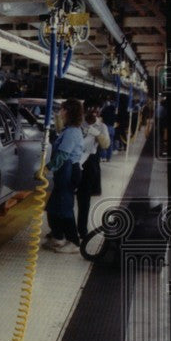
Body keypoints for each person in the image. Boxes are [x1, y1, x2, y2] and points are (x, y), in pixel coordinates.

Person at [44, 99, 85, 253]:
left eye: (61, 110)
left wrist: (47, 168)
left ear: (68, 111)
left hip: (68, 171)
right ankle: (58, 237)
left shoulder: (72, 132)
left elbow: (62, 155)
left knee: (64, 207)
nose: (60, 112)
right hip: (64, 171)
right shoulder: (68, 130)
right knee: (54, 207)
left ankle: (74, 242)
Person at [76, 101, 111, 242]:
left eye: (95, 112)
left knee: (84, 200)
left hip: (89, 166)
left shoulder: (102, 127)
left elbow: (105, 145)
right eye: (89, 112)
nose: (92, 114)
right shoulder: (78, 123)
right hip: (75, 162)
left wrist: (97, 134)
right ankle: (62, 230)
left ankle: (82, 230)